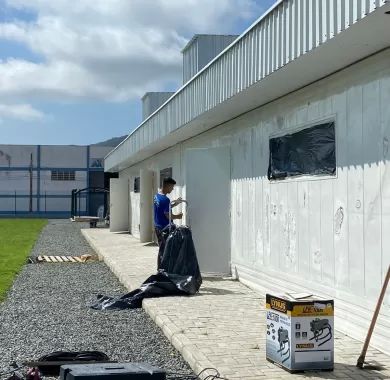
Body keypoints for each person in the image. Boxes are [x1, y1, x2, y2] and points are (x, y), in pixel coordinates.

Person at [154, 177, 183, 268]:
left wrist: (176, 204)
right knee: (164, 249)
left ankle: (162, 269)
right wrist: (178, 216)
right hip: (164, 228)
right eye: (172, 187)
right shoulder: (166, 199)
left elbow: (164, 208)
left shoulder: (157, 196)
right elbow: (167, 215)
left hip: (157, 226)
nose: (172, 189)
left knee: (162, 248)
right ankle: (161, 270)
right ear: (167, 186)